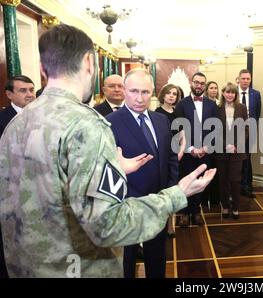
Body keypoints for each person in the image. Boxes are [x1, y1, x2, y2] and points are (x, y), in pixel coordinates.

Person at [0, 24, 215, 278]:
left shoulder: (16, 124)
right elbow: (106, 225)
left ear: (43, 69)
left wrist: (113, 169)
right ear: (90, 63)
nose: (139, 97)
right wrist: (177, 194)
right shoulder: (87, 124)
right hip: (78, 267)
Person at [106, 69, 178, 278]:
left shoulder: (161, 120)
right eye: (134, 91)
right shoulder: (109, 122)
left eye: (145, 92)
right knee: (126, 261)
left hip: (158, 202)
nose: (139, 98)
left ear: (153, 92)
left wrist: (169, 193)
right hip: (127, 206)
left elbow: (171, 158)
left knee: (157, 256)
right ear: (125, 91)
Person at [0, 75, 36, 278]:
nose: (30, 94)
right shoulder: (2, 120)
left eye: (31, 89)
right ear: (9, 94)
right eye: (23, 90)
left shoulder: (41, 117)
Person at [174, 72, 218, 227]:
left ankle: (196, 211)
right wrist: (191, 148)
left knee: (201, 182)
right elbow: (179, 129)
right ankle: (185, 212)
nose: (199, 85)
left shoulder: (212, 105)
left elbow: (215, 128)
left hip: (205, 151)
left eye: (201, 83)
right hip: (187, 152)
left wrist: (206, 147)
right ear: (191, 83)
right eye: (196, 82)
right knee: (186, 181)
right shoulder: (182, 104)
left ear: (204, 86)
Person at [155, 83, 185, 237]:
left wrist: (180, 152)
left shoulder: (177, 114)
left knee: (173, 189)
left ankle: (171, 224)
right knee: (162, 190)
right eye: (169, 93)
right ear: (163, 95)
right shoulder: (156, 113)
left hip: (176, 156)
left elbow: (182, 136)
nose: (172, 96)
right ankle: (161, 222)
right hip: (161, 157)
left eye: (174, 93)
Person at [215, 83, 248, 219]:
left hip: (237, 151)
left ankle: (235, 207)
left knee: (235, 180)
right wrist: (225, 145)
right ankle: (225, 207)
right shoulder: (217, 109)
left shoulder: (242, 108)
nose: (230, 95)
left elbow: (246, 129)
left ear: (236, 94)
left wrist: (235, 145)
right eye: (227, 92)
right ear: (223, 93)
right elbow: (214, 130)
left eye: (232, 92)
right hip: (221, 151)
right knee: (223, 181)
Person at [237, 69, 261, 199]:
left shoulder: (256, 94)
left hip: (249, 133)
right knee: (235, 159)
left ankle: (246, 186)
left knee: (247, 159)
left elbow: (257, 113)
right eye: (243, 78)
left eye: (248, 79)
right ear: (238, 79)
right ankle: (235, 186)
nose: (246, 81)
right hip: (234, 133)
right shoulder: (232, 92)